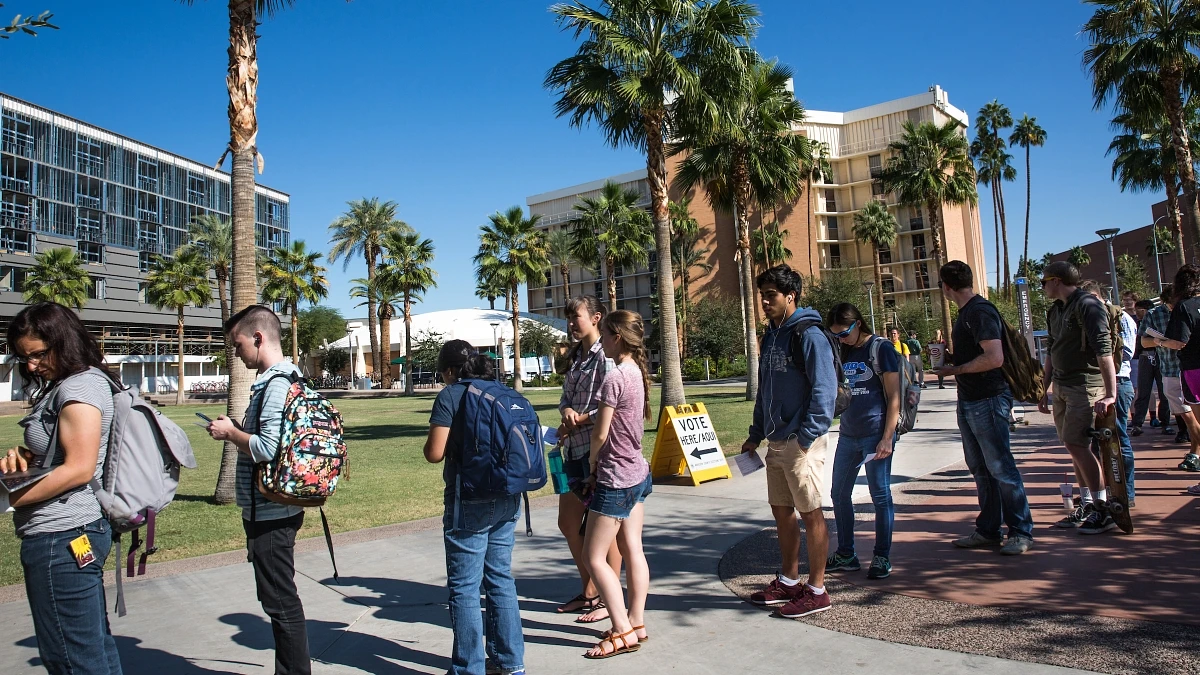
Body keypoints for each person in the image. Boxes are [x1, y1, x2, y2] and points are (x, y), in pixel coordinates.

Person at [0, 302, 123, 674]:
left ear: (63, 342)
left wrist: (8, 496)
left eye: (38, 355)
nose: (32, 366)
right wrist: (29, 456)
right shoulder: (75, 384)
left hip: (62, 536)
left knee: (72, 660)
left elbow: (78, 469)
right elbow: (64, 456)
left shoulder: (80, 386)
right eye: (26, 358)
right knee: (92, 652)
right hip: (70, 534)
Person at [206, 305, 311, 674]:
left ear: (258, 337)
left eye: (237, 344)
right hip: (277, 506)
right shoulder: (291, 377)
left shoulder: (276, 383)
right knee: (279, 597)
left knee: (280, 602)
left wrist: (231, 433)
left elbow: (267, 447)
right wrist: (237, 428)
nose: (235, 352)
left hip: (271, 512)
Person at [422, 340, 525, 675]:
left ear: (450, 370)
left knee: (465, 588)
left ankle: (469, 668)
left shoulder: (451, 395)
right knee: (500, 579)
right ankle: (510, 663)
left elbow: (434, 452)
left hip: (468, 499)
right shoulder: (500, 391)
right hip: (508, 496)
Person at [742, 264, 838, 616]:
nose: (764, 302)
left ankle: (817, 589)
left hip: (801, 444)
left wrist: (806, 437)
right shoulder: (771, 335)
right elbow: (765, 391)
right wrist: (755, 435)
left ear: (791, 296)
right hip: (775, 443)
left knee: (811, 513)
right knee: (782, 513)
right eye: (762, 296)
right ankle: (788, 580)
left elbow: (824, 392)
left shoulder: (808, 335)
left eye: (771, 296)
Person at [935, 261, 1034, 554]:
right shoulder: (968, 313)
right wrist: (954, 359)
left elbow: (994, 357)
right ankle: (988, 529)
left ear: (947, 287)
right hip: (970, 399)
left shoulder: (979, 311)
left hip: (988, 399)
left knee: (1001, 467)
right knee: (981, 468)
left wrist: (958, 369)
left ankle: (1020, 531)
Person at [580, 310, 653, 659]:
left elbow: (600, 432)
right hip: (638, 474)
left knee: (594, 557)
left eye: (605, 334)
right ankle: (636, 621)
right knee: (632, 549)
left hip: (615, 479)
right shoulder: (636, 371)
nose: (602, 340)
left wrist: (593, 465)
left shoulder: (614, 377)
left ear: (617, 337)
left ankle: (623, 630)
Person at [1037, 262, 1120, 535]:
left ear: (1057, 280)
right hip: (1062, 385)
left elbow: (1103, 350)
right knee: (1073, 446)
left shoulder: (1088, 305)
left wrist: (1110, 394)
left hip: (1084, 385)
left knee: (1077, 444)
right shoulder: (1056, 309)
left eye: (1044, 281)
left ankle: (1102, 508)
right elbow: (1051, 350)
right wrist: (1044, 388)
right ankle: (1087, 504)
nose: (1042, 286)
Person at [554, 295, 621, 625]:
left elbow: (612, 406)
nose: (570, 323)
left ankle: (610, 600)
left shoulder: (606, 357)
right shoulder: (576, 358)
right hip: (572, 452)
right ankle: (589, 590)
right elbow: (566, 397)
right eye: (568, 318)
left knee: (605, 533)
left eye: (575, 317)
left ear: (596, 317)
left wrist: (581, 419)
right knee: (568, 523)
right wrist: (566, 411)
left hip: (598, 455)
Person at [826, 303, 900, 579]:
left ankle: (882, 556)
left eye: (844, 333)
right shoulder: (842, 350)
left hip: (876, 434)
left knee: (880, 496)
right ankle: (846, 553)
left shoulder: (881, 349)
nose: (841, 338)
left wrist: (887, 438)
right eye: (836, 336)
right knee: (838, 493)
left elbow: (895, 397)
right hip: (848, 434)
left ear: (858, 324)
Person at [1139, 284, 1200, 492]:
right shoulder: (1155, 314)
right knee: (1185, 414)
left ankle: (1195, 452)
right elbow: (1144, 342)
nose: (1175, 306)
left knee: (1193, 415)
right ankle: (1195, 451)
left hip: (1192, 368)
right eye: (1171, 304)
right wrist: (1161, 341)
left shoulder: (1189, 307)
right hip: (1171, 369)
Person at [1082, 280, 1137, 507]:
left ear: (1096, 296)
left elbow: (1127, 352)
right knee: (1097, 443)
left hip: (1118, 383)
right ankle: (1104, 492)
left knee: (1118, 439)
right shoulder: (1093, 318)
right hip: (1097, 386)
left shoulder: (1120, 318)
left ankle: (1127, 493)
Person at [1131, 298, 1170, 437]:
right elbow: (1141, 343)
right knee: (1143, 391)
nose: (1137, 313)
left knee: (1164, 392)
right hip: (1144, 358)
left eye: (1139, 311)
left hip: (1160, 357)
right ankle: (1137, 423)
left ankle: (1165, 423)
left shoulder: (1159, 319)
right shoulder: (1137, 323)